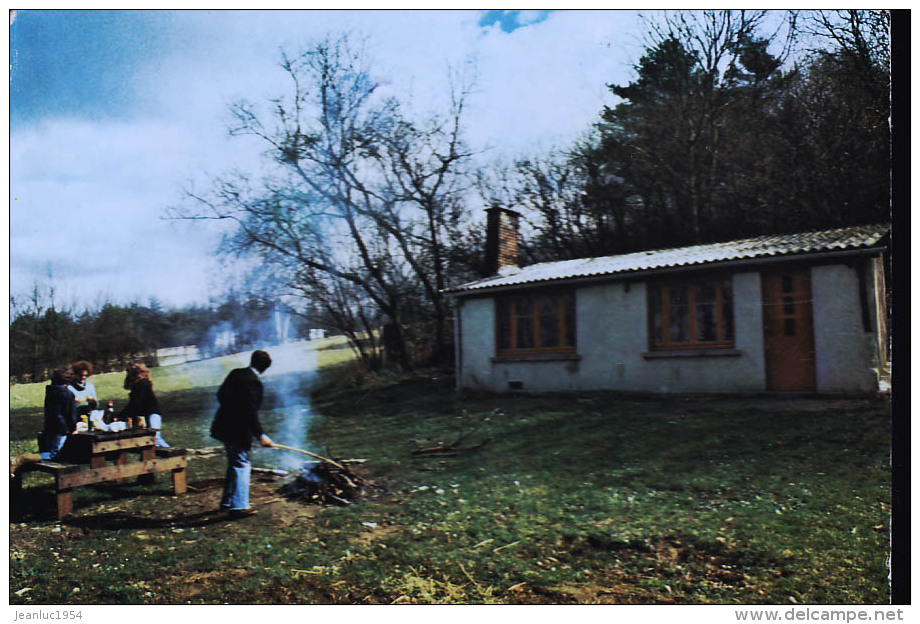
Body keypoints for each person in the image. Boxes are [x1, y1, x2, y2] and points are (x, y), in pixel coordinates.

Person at [210, 350, 275, 517]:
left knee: (235, 463)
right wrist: (261, 435)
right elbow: (250, 412)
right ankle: (239, 506)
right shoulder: (254, 382)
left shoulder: (236, 373)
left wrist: (230, 410)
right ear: (265, 368)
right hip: (237, 431)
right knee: (242, 464)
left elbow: (220, 395)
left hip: (223, 426)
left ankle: (227, 501)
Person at [10, 368, 79, 477]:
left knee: (50, 451)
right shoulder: (68, 394)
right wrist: (73, 428)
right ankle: (22, 458)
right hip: (61, 429)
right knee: (53, 456)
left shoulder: (50, 391)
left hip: (49, 427)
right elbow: (71, 415)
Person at [118, 362, 170, 447]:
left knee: (155, 438)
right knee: (150, 440)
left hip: (152, 414)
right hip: (145, 416)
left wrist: (121, 415)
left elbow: (136, 404)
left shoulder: (143, 384)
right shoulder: (138, 385)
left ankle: (174, 453)